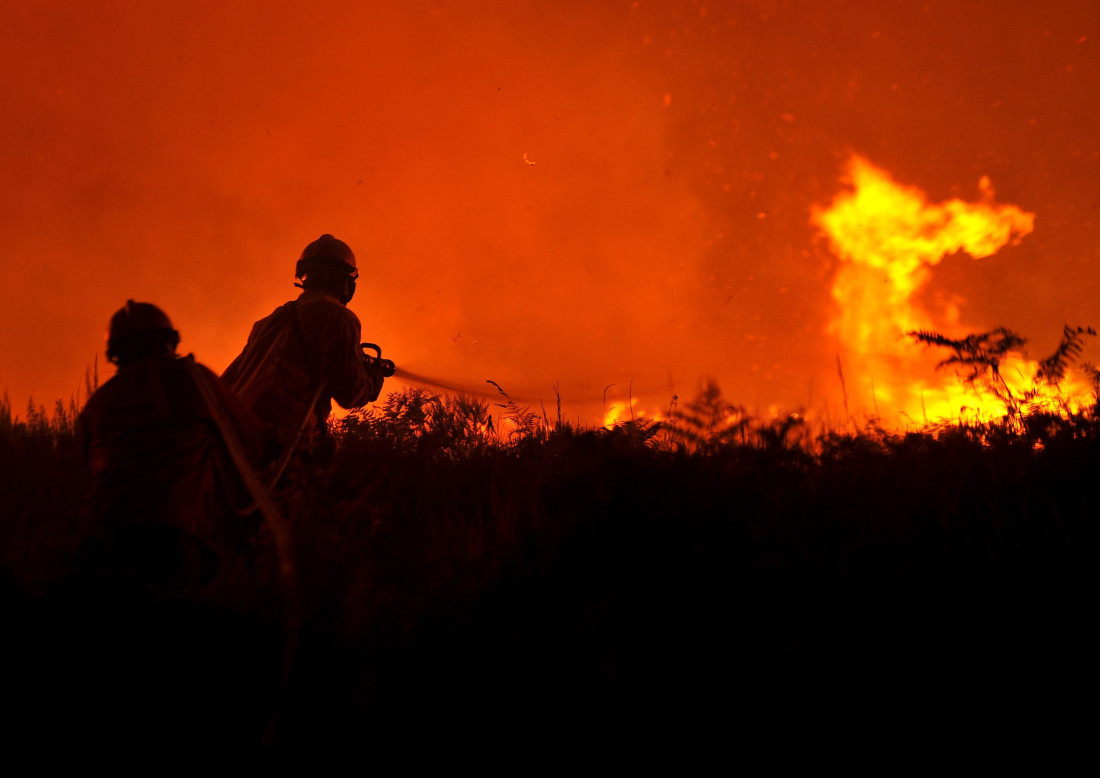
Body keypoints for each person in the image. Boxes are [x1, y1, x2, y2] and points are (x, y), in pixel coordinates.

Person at [77, 300, 264, 588]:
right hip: (172, 538)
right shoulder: (194, 378)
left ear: (115, 354)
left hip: (98, 542)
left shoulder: (97, 404)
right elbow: (252, 443)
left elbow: (84, 473)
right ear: (170, 342)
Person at [222, 234, 385, 464]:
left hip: (234, 439)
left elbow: (229, 381)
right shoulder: (340, 317)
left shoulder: (266, 323)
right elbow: (350, 393)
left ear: (305, 276)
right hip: (283, 447)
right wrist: (374, 380)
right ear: (344, 280)